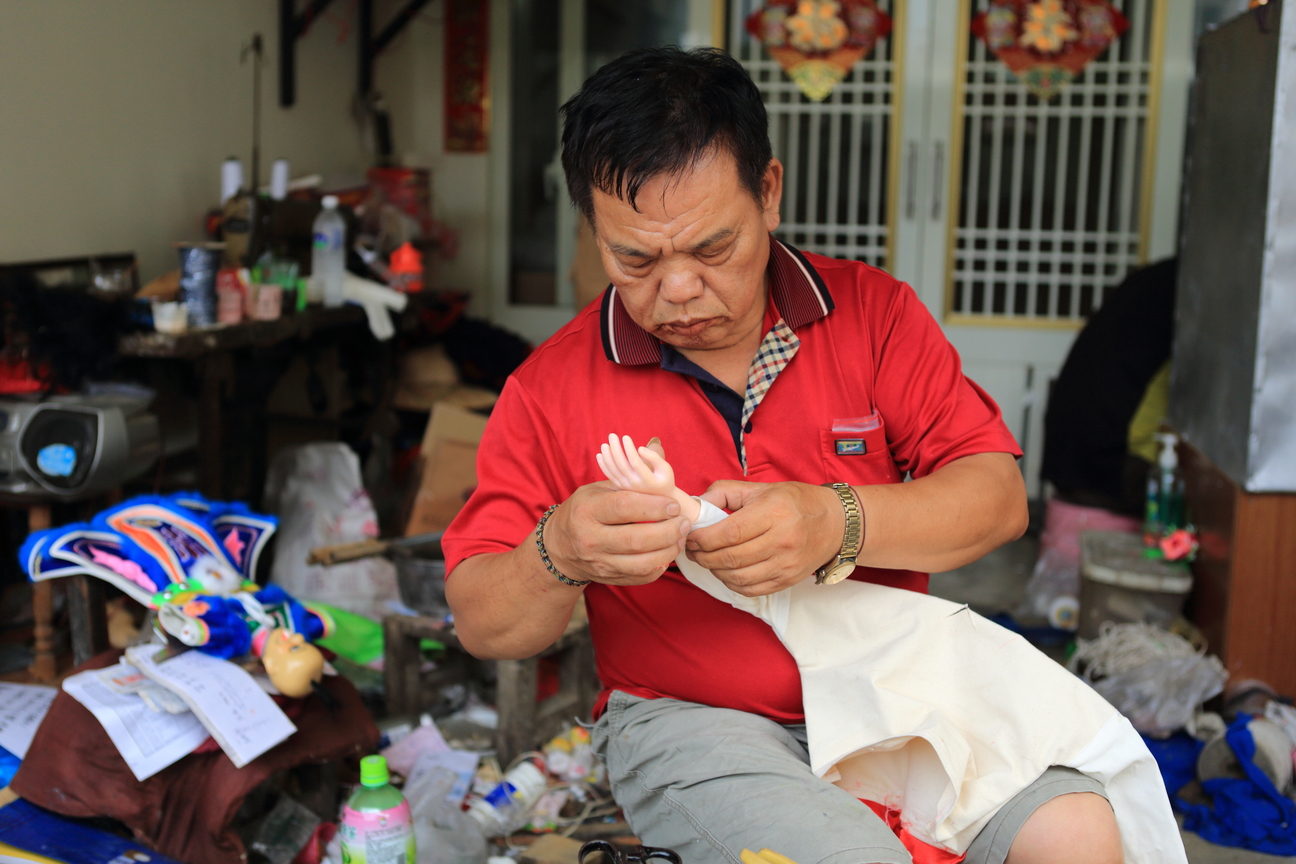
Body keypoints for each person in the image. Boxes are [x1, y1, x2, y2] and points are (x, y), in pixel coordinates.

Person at [443, 47, 1125, 864]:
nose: (680, 289)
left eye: (710, 248)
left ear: (768, 194)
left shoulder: (875, 317)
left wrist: (837, 519)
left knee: (1078, 829)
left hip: (897, 689)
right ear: (594, 234)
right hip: (695, 717)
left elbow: (998, 500)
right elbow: (483, 620)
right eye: (636, 260)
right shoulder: (549, 386)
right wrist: (560, 552)